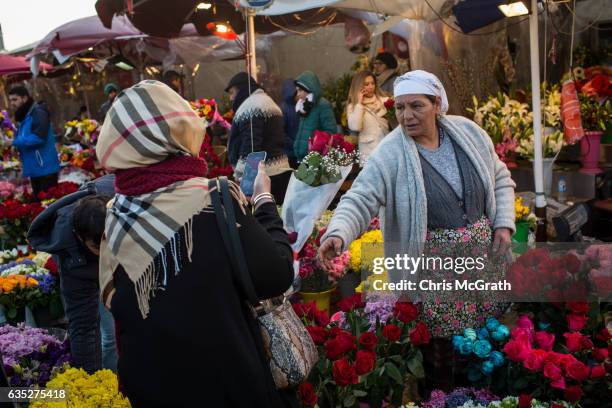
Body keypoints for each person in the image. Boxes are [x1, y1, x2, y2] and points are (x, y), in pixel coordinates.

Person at [95, 80, 296, 407]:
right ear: (180, 129)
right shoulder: (212, 198)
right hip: (229, 386)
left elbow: (120, 307)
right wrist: (263, 199)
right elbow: (276, 275)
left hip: (155, 392)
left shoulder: (116, 218)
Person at [318, 70, 515, 390]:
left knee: (484, 336)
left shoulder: (469, 134)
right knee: (443, 349)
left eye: (417, 106)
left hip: (482, 260)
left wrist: (504, 225)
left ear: (437, 104)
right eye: (400, 108)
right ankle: (443, 396)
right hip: (434, 267)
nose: (407, 116)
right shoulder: (392, 153)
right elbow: (361, 197)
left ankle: (483, 395)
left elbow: (500, 176)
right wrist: (338, 232)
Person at [28, 176, 118, 374]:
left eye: (112, 243)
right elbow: (83, 325)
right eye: (98, 247)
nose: (107, 252)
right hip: (88, 271)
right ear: (80, 237)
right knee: (110, 334)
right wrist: (89, 382)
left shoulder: (126, 201)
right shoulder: (70, 255)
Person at [225, 72, 292, 203]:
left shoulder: (251, 107)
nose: (231, 98)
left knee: (264, 219)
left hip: (264, 180)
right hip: (280, 172)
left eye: (232, 93)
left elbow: (251, 149)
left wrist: (244, 182)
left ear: (241, 89)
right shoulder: (268, 101)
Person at [8, 85, 60, 199]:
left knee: (48, 206)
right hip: (36, 169)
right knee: (40, 206)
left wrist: (15, 142)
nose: (12, 103)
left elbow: (39, 138)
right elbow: (26, 137)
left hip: (45, 169)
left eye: (15, 99)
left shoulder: (38, 112)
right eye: (10, 100)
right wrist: (16, 146)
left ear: (25, 98)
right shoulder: (26, 115)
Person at [346, 70, 391, 164]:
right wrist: (359, 103)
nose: (370, 87)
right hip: (368, 153)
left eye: (372, 83)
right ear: (359, 86)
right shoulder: (353, 106)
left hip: (387, 148)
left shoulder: (384, 101)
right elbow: (355, 127)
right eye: (366, 84)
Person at [293, 71, 338, 162]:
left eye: (300, 90)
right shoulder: (304, 106)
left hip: (317, 159)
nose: (297, 94)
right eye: (297, 90)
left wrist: (315, 147)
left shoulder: (322, 105)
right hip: (303, 158)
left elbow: (331, 131)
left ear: (309, 88)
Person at [281, 79, 299, 168]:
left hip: (298, 152)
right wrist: (295, 144)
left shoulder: (300, 105)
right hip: (289, 154)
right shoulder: (284, 109)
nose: (299, 93)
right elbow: (281, 133)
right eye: (297, 91)